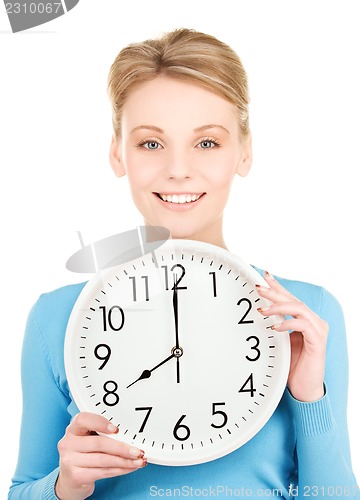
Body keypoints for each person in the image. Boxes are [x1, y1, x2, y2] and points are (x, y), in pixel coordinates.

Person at [9, 28, 359, 499]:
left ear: (244, 151)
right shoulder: (56, 319)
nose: (178, 169)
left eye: (207, 143)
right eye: (151, 143)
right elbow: (22, 490)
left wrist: (306, 396)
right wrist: (63, 484)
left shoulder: (306, 315)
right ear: (118, 152)